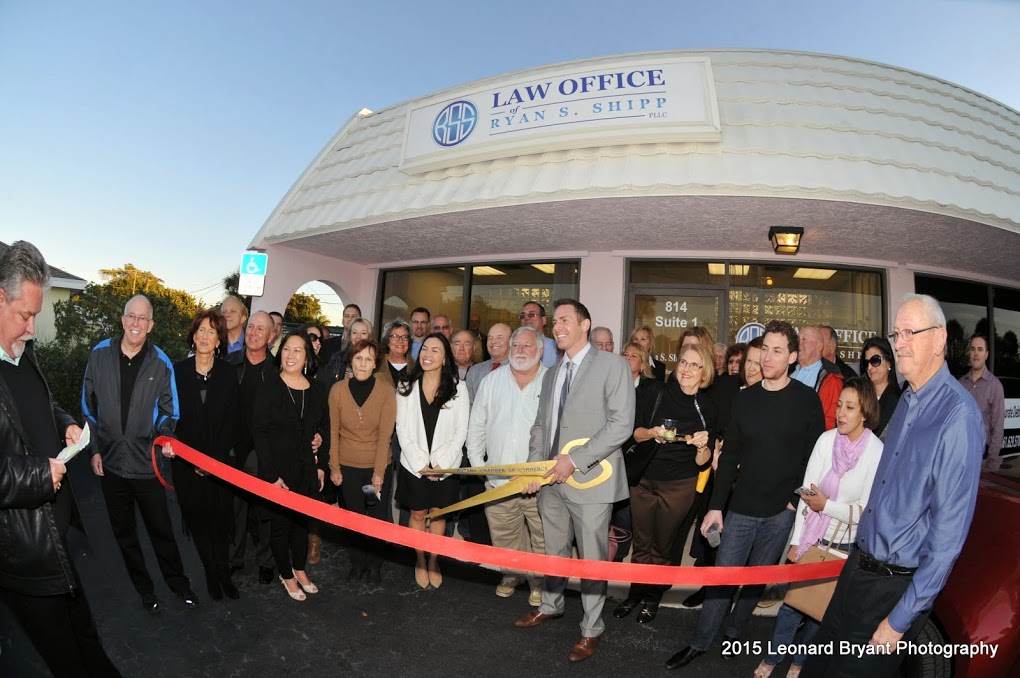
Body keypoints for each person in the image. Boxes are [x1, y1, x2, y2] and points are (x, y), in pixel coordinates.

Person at [802, 294, 985, 677]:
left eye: (909, 333)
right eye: (896, 333)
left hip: (891, 590)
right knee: (817, 666)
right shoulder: (906, 401)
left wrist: (899, 620)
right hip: (856, 568)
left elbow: (947, 542)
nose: (899, 343)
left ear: (939, 339)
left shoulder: (959, 418)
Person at [666, 320, 824, 671]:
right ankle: (700, 641)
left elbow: (814, 459)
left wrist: (793, 502)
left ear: (793, 357)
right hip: (741, 507)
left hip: (781, 512)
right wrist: (716, 508)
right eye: (765, 348)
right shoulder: (745, 398)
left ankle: (734, 632)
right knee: (723, 578)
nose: (767, 357)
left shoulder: (807, 401)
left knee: (755, 581)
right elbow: (730, 457)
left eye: (777, 351)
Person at [0, 240, 122, 677]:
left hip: (54, 531)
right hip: (23, 550)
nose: (32, 328)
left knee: (84, 632)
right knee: (64, 655)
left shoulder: (23, 351)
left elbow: (41, 407)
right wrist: (38, 475)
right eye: (25, 315)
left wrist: (65, 422)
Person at [513, 299, 635, 664]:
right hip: (551, 483)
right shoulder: (552, 373)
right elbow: (541, 425)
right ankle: (551, 605)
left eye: (566, 320)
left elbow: (621, 424)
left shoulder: (613, 365)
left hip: (591, 483)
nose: (558, 327)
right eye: (555, 322)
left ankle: (591, 629)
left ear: (585, 324)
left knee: (592, 560)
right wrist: (535, 469)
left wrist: (575, 461)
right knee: (554, 551)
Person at [754, 377, 884, 678]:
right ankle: (773, 658)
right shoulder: (826, 440)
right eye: (839, 405)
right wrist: (797, 541)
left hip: (845, 549)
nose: (840, 413)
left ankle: (800, 662)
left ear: (865, 413)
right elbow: (806, 494)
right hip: (813, 540)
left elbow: (865, 511)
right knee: (791, 608)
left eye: (849, 407)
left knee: (820, 613)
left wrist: (827, 506)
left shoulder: (876, 452)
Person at [82, 294, 198, 614]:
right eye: (131, 316)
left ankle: (179, 584)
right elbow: (89, 407)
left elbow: (168, 412)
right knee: (125, 535)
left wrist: (166, 437)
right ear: (123, 320)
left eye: (142, 318)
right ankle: (145, 590)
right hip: (111, 465)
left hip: (147, 465)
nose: (136, 323)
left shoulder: (161, 363)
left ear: (151, 325)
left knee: (161, 531)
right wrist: (95, 450)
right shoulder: (99, 354)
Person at [614, 342, 715, 625]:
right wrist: (652, 432)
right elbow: (635, 433)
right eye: (683, 362)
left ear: (705, 372)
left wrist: (701, 447)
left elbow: (704, 462)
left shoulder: (708, 407)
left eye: (694, 365)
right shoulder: (655, 392)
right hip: (644, 480)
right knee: (641, 543)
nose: (686, 369)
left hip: (679, 485)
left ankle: (652, 599)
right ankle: (634, 594)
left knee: (663, 545)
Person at [163, 309, 241, 601]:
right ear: (193, 336)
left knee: (220, 522)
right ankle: (210, 572)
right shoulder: (177, 371)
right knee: (198, 522)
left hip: (219, 464)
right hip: (187, 464)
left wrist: (213, 461)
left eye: (212, 331)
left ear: (219, 339)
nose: (205, 336)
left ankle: (223, 572)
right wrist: (190, 458)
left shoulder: (228, 373)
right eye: (201, 331)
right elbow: (171, 418)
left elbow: (234, 421)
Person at [467, 326, 548, 604]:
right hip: (498, 481)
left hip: (539, 482)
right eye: (516, 345)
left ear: (540, 351)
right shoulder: (492, 381)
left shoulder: (552, 382)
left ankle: (539, 582)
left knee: (542, 535)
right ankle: (512, 574)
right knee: (504, 533)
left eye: (527, 345)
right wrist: (479, 466)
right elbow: (477, 424)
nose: (520, 351)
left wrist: (544, 473)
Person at [252, 330, 330, 601]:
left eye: (298, 350)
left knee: (301, 525)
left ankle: (299, 568)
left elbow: (324, 427)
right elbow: (259, 433)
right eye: (286, 349)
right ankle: (286, 574)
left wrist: (321, 463)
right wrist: (270, 475)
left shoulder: (317, 389)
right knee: (281, 526)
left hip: (307, 469)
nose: (291, 355)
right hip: (277, 471)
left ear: (307, 357)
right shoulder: (269, 387)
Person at [395, 333, 469, 589]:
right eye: (425, 349)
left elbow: (461, 431)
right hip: (414, 464)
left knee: (438, 514)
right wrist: (420, 464)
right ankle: (419, 560)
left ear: (445, 357)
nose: (427, 354)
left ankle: (434, 561)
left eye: (435, 350)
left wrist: (441, 465)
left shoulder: (459, 388)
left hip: (444, 465)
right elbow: (402, 429)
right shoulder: (405, 385)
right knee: (417, 513)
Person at [328, 338, 396, 585]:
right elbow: (333, 431)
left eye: (368, 359)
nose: (363, 364)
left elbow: (385, 435)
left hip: (375, 468)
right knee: (353, 519)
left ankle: (374, 565)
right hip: (348, 469)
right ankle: (357, 563)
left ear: (375, 363)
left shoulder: (386, 392)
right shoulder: (337, 391)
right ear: (351, 361)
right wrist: (334, 467)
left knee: (376, 517)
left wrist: (378, 473)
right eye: (358, 358)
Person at [228, 311, 277, 584]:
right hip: (233, 448)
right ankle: (233, 558)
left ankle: (266, 561)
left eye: (261, 329)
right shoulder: (229, 364)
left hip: (263, 451)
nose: (253, 333)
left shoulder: (278, 371)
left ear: (271, 337)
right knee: (234, 509)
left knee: (264, 509)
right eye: (251, 327)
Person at [959, 334, 1005, 472]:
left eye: (980, 349)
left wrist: (991, 462)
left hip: (982, 459)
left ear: (986, 355)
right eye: (972, 349)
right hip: (960, 455)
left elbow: (998, 427)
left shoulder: (994, 386)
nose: (976, 354)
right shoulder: (960, 384)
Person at [792, 326, 843, 429]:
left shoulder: (831, 379)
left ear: (819, 346)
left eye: (804, 339)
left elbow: (829, 422)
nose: (799, 343)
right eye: (798, 339)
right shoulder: (788, 370)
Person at [859, 336, 901, 439]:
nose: (870, 368)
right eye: (866, 363)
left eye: (875, 360)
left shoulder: (900, 400)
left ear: (889, 362)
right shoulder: (859, 396)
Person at [318, 317, 373, 388]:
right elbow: (328, 386)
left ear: (369, 336)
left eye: (363, 333)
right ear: (350, 336)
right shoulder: (338, 358)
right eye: (355, 333)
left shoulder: (378, 360)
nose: (358, 337)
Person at [466, 322, 511, 401]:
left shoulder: (519, 372)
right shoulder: (474, 371)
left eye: (499, 337)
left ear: (511, 341)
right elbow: (469, 403)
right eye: (490, 338)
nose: (493, 341)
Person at [520, 300, 558, 368]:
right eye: (523, 316)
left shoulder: (557, 348)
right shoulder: (514, 347)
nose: (526, 318)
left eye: (532, 315)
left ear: (543, 320)